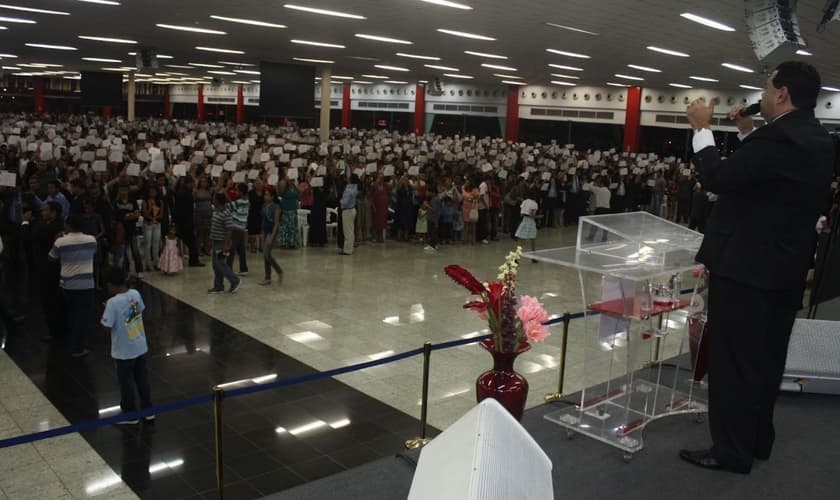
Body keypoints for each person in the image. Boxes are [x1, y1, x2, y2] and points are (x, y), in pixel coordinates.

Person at [680, 61, 835, 474]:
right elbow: (764, 177)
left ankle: (731, 450)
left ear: (782, 94)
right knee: (766, 360)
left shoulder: (780, 139)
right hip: (783, 270)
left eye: (767, 89)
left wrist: (701, 128)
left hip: (745, 270)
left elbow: (719, 175)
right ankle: (757, 440)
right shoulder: (814, 137)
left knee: (734, 363)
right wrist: (749, 131)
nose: (761, 96)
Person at [100, 266, 154, 424]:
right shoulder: (135, 294)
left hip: (123, 351)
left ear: (111, 284)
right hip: (139, 345)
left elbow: (106, 326)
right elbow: (137, 312)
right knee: (142, 379)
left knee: (126, 382)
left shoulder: (112, 303)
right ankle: (148, 410)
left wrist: (107, 311)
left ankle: (130, 414)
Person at [49, 214, 98, 357]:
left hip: (67, 284)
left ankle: (72, 342)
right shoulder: (91, 240)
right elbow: (93, 254)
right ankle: (78, 347)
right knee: (82, 317)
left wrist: (57, 240)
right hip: (86, 284)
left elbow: (51, 258)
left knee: (71, 313)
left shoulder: (60, 242)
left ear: (68, 226)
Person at [208, 193, 241, 294]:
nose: (213, 200)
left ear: (218, 201)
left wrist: (226, 245)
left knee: (220, 264)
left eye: (214, 199)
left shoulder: (226, 213)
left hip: (222, 242)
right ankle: (218, 286)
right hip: (215, 241)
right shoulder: (216, 211)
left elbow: (229, 230)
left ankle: (235, 280)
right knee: (215, 265)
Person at [174, 176, 203, 267]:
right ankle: (193, 261)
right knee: (191, 242)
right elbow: (182, 209)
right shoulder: (183, 193)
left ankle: (193, 260)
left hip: (185, 220)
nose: (194, 185)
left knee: (191, 242)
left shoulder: (185, 192)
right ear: (189, 183)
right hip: (184, 221)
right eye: (193, 183)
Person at [225, 183, 250, 275]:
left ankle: (228, 268)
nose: (235, 192)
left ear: (241, 192)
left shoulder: (238, 202)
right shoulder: (247, 201)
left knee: (231, 249)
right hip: (242, 227)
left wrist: (226, 192)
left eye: (237, 190)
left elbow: (228, 205)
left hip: (235, 227)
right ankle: (244, 269)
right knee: (241, 249)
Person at [260, 187, 283, 284]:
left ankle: (279, 271)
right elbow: (263, 221)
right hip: (265, 231)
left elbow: (276, 223)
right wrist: (262, 233)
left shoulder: (276, 207)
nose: (265, 196)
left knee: (267, 254)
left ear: (272, 197)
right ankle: (267, 277)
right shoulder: (264, 206)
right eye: (265, 194)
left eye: (267, 195)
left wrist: (272, 236)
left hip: (271, 232)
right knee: (265, 255)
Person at [142, 186, 163, 272]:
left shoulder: (160, 201)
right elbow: (144, 214)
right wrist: (150, 207)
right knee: (148, 244)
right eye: (151, 192)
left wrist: (156, 218)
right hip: (148, 224)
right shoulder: (145, 201)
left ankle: (156, 263)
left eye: (154, 191)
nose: (153, 193)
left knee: (156, 243)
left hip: (157, 224)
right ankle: (148, 263)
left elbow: (162, 214)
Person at [515, 190, 541, 259]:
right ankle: (534, 257)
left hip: (524, 221)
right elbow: (532, 215)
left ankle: (516, 258)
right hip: (531, 223)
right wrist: (539, 217)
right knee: (533, 241)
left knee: (521, 242)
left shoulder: (524, 202)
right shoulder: (534, 203)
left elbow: (521, 214)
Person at [340, 174, 359, 255]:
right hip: (352, 209)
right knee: (351, 230)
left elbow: (345, 202)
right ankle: (349, 248)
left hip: (347, 210)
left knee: (347, 231)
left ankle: (347, 250)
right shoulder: (354, 187)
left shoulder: (348, 189)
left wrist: (340, 201)